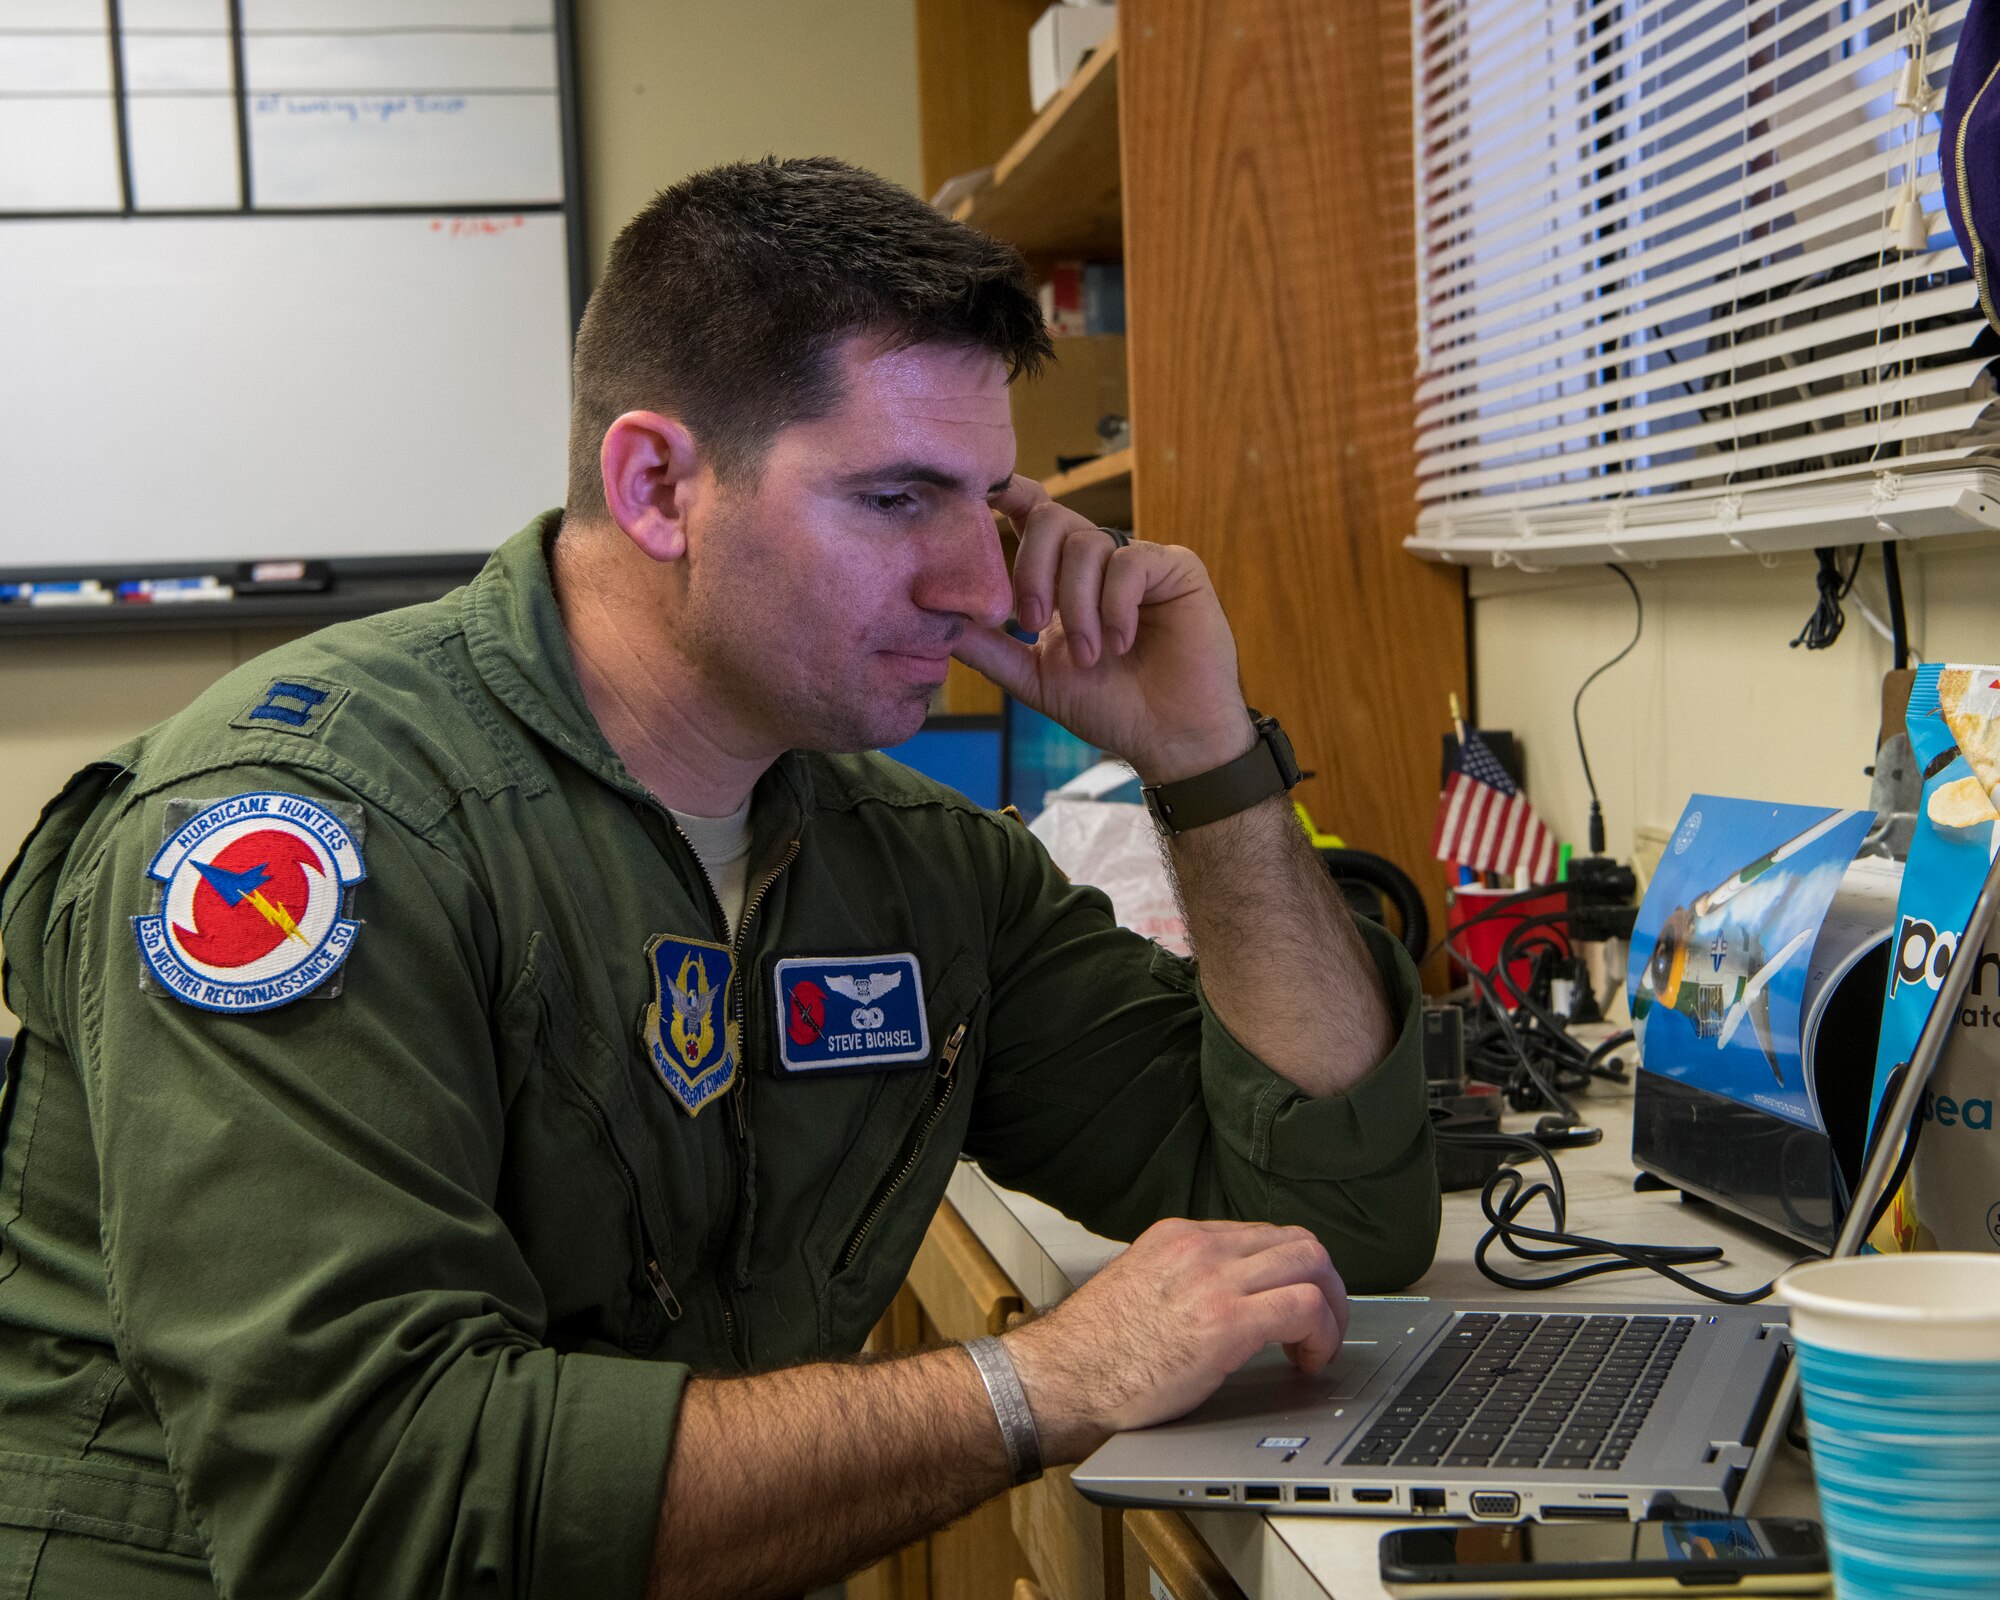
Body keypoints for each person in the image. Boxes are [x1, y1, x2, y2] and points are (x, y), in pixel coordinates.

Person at [0, 157, 1438, 1599]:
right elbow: (387, 1506)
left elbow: (1337, 1220)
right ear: (656, 487)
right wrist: (1035, 1385)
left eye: (986, 505)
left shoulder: (911, 861)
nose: (985, 588)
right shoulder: (306, 836)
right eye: (894, 499)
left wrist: (1206, 766)